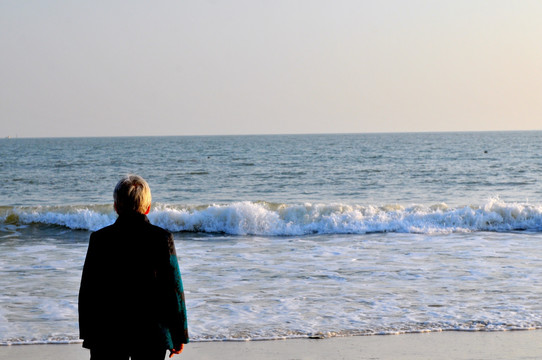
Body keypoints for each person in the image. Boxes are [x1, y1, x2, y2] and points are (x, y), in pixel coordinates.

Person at [79, 175, 189, 359]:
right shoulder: (161, 238)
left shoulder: (100, 239)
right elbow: (173, 289)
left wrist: (89, 335)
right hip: (151, 332)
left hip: (108, 332)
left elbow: (88, 291)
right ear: (147, 207)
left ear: (116, 206)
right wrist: (179, 335)